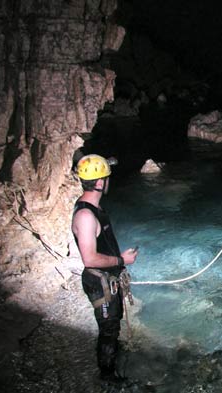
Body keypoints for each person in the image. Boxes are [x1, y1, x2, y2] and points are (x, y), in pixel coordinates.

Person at [71, 154, 138, 384]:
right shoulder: (86, 216)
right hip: (99, 283)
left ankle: (111, 357)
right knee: (108, 329)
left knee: (113, 324)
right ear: (100, 183)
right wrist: (121, 260)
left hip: (107, 279)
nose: (109, 182)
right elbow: (89, 258)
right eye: (107, 178)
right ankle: (107, 376)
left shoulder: (93, 208)